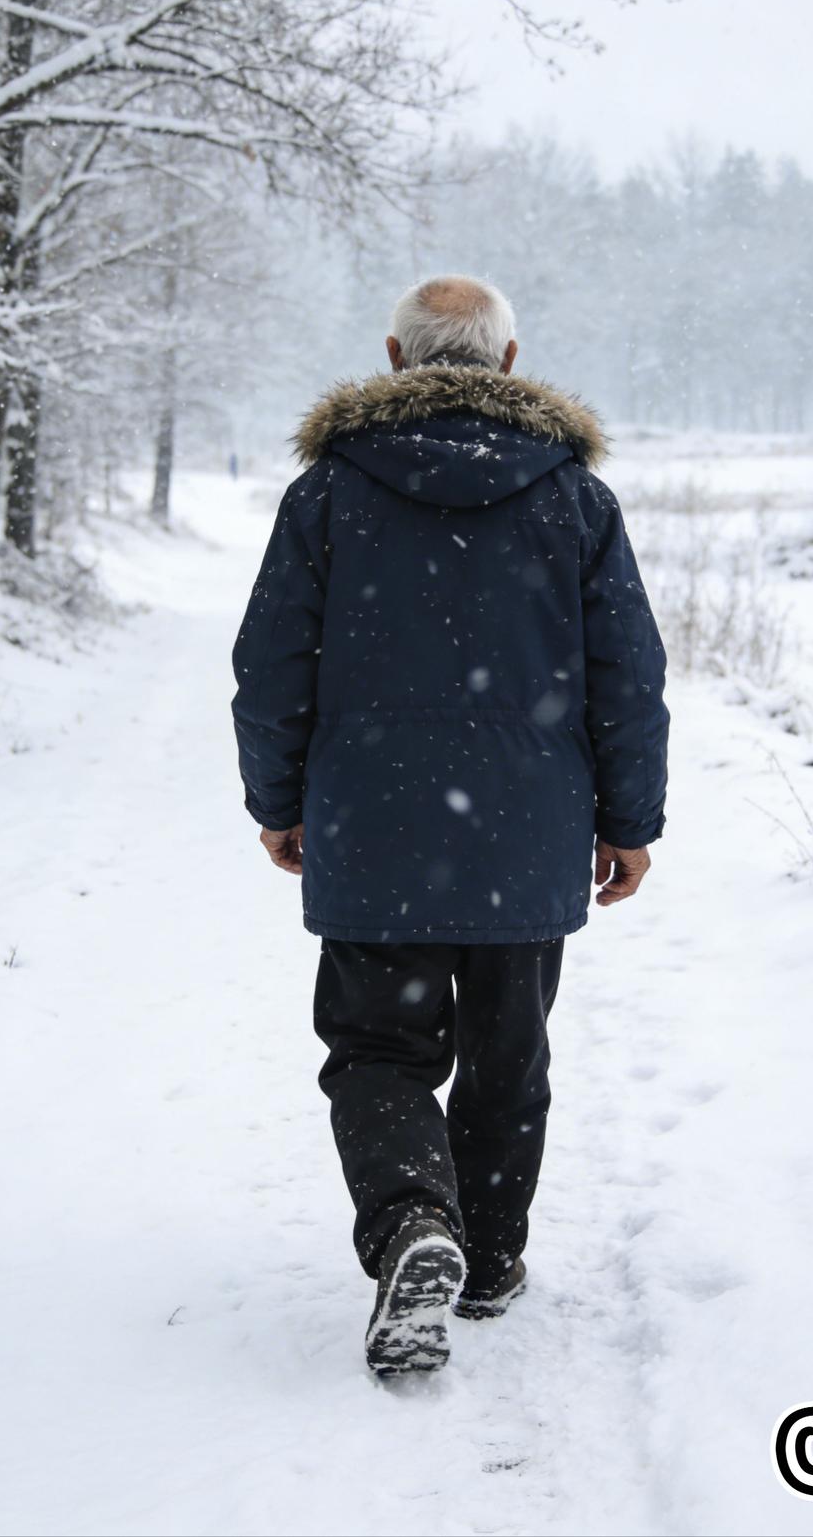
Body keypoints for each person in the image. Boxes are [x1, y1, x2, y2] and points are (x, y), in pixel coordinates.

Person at [231, 275, 669, 1376]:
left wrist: (278, 801)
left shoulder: (329, 494)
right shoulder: (573, 498)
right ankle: (486, 1258)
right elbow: (628, 674)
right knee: (505, 1054)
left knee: (377, 1050)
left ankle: (410, 1221)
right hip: (524, 832)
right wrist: (629, 819)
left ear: (393, 355)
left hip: (374, 826)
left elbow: (269, 665)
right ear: (508, 362)